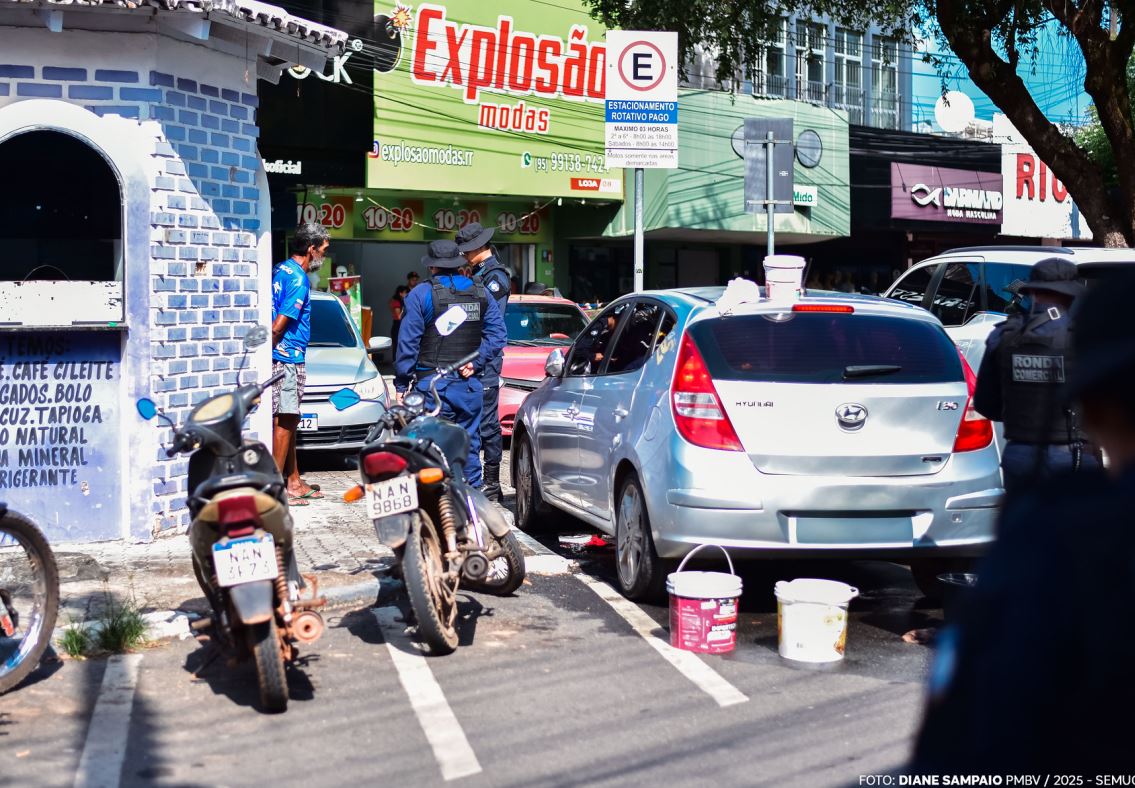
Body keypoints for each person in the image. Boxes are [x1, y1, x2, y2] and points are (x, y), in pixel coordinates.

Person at [908, 272, 1135, 773]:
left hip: (1026, 460)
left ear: (1098, 404)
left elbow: (959, 742)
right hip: (1073, 456)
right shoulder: (1074, 335)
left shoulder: (1005, 337)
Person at [973, 258, 1099, 495]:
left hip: (1021, 454)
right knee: (1077, 530)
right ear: (1072, 295)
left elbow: (986, 404)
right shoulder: (1086, 337)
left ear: (1033, 292)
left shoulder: (1005, 335)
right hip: (1074, 455)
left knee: (1027, 530)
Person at [395, 240, 506, 489]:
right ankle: (473, 505)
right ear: (458, 264)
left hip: (432, 386)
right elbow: (498, 335)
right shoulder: (480, 291)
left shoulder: (420, 294)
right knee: (469, 445)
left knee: (433, 450)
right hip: (469, 386)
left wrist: (402, 383)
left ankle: (440, 510)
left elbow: (408, 344)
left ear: (432, 266)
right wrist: (477, 362)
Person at [271, 222, 329, 506]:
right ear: (311, 249)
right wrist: (266, 355)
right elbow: (279, 325)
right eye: (323, 250)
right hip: (288, 357)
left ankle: (293, 480)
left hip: (283, 356)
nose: (324, 256)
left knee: (290, 420)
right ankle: (274, 490)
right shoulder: (299, 280)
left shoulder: (281, 269)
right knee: (285, 420)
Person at [456, 222, 512, 502]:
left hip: (485, 358)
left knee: (488, 423)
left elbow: (490, 323)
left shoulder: (495, 277)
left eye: (467, 250)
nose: (464, 255)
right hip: (472, 356)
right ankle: (474, 476)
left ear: (479, 247)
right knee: (472, 420)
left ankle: (492, 483)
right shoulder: (478, 273)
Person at [388, 285, 409, 357]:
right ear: (401, 293)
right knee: (397, 346)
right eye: (405, 293)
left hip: (401, 326)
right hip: (398, 326)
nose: (407, 295)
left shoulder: (400, 302)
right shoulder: (396, 302)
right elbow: (399, 316)